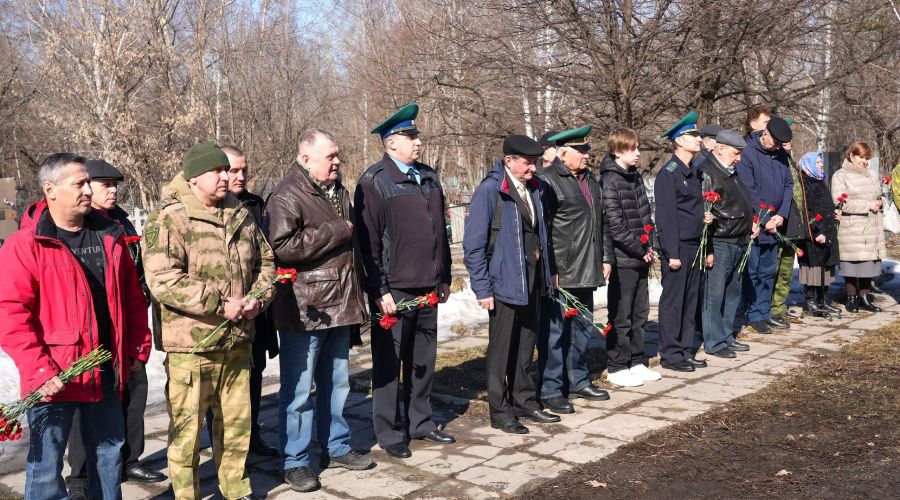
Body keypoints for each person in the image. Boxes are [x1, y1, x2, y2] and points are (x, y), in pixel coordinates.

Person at [0, 153, 152, 500]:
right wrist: (39, 369)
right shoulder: (26, 245)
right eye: (79, 183)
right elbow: (11, 314)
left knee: (109, 456)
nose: (89, 189)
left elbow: (133, 300)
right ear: (50, 190)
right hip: (53, 378)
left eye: (88, 182)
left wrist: (136, 349)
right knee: (46, 468)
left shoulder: (110, 235)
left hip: (105, 371)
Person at [143, 141, 275, 500]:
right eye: (218, 171)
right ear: (195, 177)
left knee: (236, 426)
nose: (226, 177)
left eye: (227, 171)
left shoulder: (239, 212)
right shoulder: (169, 218)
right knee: (186, 434)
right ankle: (187, 495)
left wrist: (257, 299)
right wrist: (221, 305)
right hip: (193, 347)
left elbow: (267, 263)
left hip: (237, 342)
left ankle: (236, 489)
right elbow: (163, 280)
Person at [266, 129, 374, 492]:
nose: (337, 162)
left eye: (338, 155)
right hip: (306, 308)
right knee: (298, 392)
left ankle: (336, 445)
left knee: (337, 382)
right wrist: (336, 230)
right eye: (330, 156)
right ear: (306, 158)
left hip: (340, 304)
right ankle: (295, 461)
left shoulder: (338, 190)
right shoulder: (285, 195)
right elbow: (282, 248)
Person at [354, 104, 454, 459]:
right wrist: (379, 289)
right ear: (391, 142)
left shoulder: (428, 176)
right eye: (411, 137)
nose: (419, 142)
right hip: (395, 288)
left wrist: (444, 275)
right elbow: (368, 243)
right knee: (388, 361)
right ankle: (388, 429)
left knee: (423, 359)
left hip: (428, 283)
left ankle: (420, 422)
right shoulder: (374, 181)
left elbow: (441, 229)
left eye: (417, 136)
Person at [65, 160, 165, 500]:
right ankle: (78, 475)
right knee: (85, 402)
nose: (113, 190)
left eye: (115, 184)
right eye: (105, 184)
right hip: (89, 331)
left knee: (135, 390)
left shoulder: (119, 220)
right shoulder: (77, 225)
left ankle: (129, 459)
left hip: (126, 324)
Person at [464, 134, 560, 434]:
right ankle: (500, 410)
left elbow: (543, 234)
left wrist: (550, 271)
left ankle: (524, 400)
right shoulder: (491, 190)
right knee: (502, 349)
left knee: (525, 345)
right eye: (527, 163)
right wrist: (482, 287)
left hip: (532, 280)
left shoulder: (536, 188)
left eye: (535, 162)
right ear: (508, 161)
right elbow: (473, 244)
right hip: (503, 280)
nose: (533, 168)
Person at [535, 125, 610, 414]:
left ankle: (577, 379)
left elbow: (600, 222)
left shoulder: (590, 180)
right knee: (554, 333)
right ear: (562, 153)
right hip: (562, 270)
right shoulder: (547, 180)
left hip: (587, 267)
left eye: (588, 150)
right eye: (581, 151)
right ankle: (552, 388)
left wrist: (606, 258)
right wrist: (549, 268)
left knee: (581, 328)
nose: (587, 156)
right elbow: (543, 231)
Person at [218, 145, 280, 458]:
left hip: (256, 310)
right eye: (233, 171)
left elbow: (267, 254)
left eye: (244, 170)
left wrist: (259, 295)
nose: (240, 176)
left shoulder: (255, 204)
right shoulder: (211, 207)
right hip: (222, 314)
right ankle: (224, 445)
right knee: (222, 388)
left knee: (254, 377)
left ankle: (252, 436)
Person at [599, 127, 658, 387]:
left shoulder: (634, 177)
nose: (638, 153)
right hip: (624, 259)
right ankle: (617, 365)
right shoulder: (610, 180)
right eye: (632, 149)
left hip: (641, 257)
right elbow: (615, 225)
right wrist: (640, 249)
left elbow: (645, 216)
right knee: (621, 315)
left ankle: (636, 360)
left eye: (638, 148)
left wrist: (651, 245)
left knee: (640, 313)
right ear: (618, 150)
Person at [655, 111, 713, 372]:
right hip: (678, 248)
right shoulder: (669, 174)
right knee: (673, 303)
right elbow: (666, 218)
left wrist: (706, 223)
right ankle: (670, 354)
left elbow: (692, 211)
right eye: (693, 135)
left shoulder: (695, 173)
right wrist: (672, 253)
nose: (699, 139)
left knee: (691, 302)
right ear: (679, 140)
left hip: (695, 246)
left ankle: (685, 349)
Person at [698, 130, 757, 358]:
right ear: (720, 149)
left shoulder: (731, 172)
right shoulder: (707, 172)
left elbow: (739, 202)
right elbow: (706, 213)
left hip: (739, 240)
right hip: (721, 242)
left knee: (732, 294)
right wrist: (708, 248)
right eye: (736, 153)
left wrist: (751, 221)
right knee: (714, 295)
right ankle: (714, 342)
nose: (739, 158)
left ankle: (726, 336)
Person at [735, 116, 794, 334]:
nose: (777, 147)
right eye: (775, 142)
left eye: (780, 145)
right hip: (755, 225)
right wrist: (764, 218)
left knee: (769, 271)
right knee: (752, 272)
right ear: (765, 133)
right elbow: (749, 189)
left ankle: (763, 312)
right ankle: (750, 313)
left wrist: (782, 215)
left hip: (774, 224)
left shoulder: (779, 154)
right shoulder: (748, 152)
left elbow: (788, 184)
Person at [830, 142, 885, 313]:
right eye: (861, 157)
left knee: (869, 265)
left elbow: (879, 195)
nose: (865, 161)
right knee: (851, 265)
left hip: (871, 227)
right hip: (852, 228)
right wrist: (868, 205)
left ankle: (865, 297)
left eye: (867, 158)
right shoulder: (840, 176)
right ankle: (851, 297)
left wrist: (880, 202)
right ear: (852, 156)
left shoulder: (872, 174)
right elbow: (840, 202)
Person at [794, 152, 841, 315]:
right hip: (813, 234)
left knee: (827, 267)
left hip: (827, 231)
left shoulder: (819, 180)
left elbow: (824, 204)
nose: (821, 164)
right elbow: (805, 211)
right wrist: (814, 232)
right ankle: (811, 301)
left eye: (821, 161)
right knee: (812, 268)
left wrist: (835, 212)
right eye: (818, 162)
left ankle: (823, 299)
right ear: (808, 164)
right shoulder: (803, 183)